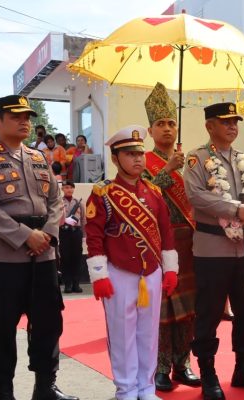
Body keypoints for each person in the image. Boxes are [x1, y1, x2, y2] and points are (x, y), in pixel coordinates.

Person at [0, 95, 77, 400]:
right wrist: (25, 235)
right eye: (16, 116)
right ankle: (2, 392)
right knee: (0, 329)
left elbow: (55, 200)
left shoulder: (39, 158)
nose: (25, 121)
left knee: (48, 322)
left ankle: (45, 387)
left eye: (27, 116)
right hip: (2, 258)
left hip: (43, 256)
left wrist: (49, 234)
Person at [184, 102, 244, 400]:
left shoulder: (243, 159)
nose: (232, 126)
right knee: (208, 313)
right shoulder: (197, 159)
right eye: (225, 122)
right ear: (210, 126)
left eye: (235, 121)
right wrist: (237, 209)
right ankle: (208, 373)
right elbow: (197, 197)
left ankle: (243, 367)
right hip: (212, 249)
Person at [85, 125, 178, 400]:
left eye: (140, 153)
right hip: (118, 272)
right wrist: (99, 274)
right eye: (129, 153)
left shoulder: (154, 192)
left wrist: (170, 269)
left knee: (149, 334)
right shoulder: (103, 193)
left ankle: (146, 387)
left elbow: (166, 232)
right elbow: (94, 236)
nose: (137, 158)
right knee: (122, 334)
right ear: (115, 158)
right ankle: (126, 389)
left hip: (151, 272)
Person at [140, 83, 201, 392]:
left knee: (189, 306)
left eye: (171, 123)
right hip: (161, 243)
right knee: (164, 308)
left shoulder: (189, 163)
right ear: (150, 130)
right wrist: (167, 169)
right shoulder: (143, 162)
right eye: (160, 124)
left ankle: (183, 363)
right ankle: (160, 367)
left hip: (190, 241)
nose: (167, 128)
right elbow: (145, 195)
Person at [59, 180, 85, 294]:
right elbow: (55, 218)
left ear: (74, 189)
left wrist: (84, 235)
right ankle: (68, 285)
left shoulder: (79, 202)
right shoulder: (59, 202)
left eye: (71, 187)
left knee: (77, 258)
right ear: (62, 189)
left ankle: (76, 284)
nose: (69, 189)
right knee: (65, 258)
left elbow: (84, 219)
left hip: (76, 233)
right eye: (66, 187)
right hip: (64, 232)